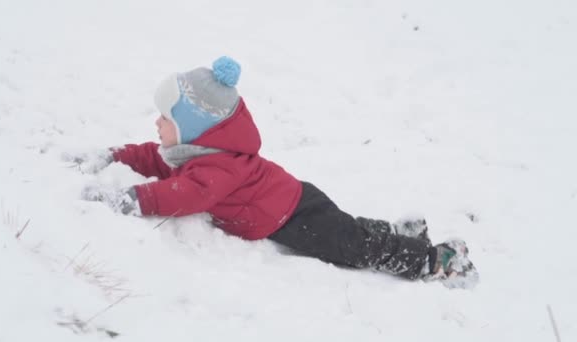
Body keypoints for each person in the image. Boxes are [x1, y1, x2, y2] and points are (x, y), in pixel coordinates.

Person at [68, 56, 478, 289]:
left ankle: (432, 260)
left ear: (195, 127)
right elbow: (157, 159)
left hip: (294, 217)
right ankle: (398, 233)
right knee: (350, 232)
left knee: (352, 248)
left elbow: (186, 195)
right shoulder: (199, 150)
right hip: (295, 199)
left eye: (165, 118)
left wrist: (132, 200)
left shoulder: (216, 167)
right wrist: (116, 155)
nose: (156, 124)